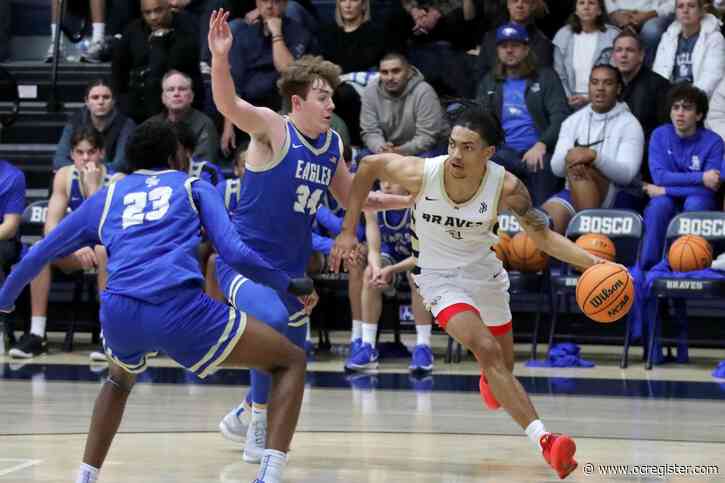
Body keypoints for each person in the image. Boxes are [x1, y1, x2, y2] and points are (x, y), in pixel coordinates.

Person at [0, 119, 313, 483]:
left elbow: (42, 252)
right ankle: (269, 475)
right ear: (175, 154)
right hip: (178, 309)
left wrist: (5, 299)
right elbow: (236, 253)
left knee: (118, 381)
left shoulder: (107, 196)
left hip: (119, 313)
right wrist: (288, 283)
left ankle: (85, 476)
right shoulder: (194, 185)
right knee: (290, 360)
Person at [331, 107, 604, 480]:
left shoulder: (507, 187)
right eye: (452, 144)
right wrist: (348, 230)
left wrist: (595, 265)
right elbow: (368, 167)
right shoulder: (422, 172)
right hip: (438, 278)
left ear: (488, 152)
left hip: (485, 275)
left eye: (468, 147)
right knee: (487, 351)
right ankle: (547, 441)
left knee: (501, 367)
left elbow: (542, 236)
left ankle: (492, 379)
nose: (457, 155)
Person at [208, 9, 411, 463]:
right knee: (272, 329)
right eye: (322, 97)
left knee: (290, 356)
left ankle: (243, 413)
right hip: (243, 262)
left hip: (291, 272)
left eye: (332, 97)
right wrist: (221, 59)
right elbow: (228, 105)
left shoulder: (333, 145)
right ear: (297, 102)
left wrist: (411, 200)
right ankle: (258, 426)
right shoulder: (271, 128)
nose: (332, 105)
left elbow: (356, 201)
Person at [8, 127, 112, 361]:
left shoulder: (116, 179)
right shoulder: (64, 176)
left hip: (109, 252)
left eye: (91, 152)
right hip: (77, 252)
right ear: (72, 155)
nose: (86, 158)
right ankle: (37, 334)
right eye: (80, 152)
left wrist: (93, 186)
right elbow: (51, 227)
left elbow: (106, 229)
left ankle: (109, 336)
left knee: (103, 249)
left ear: (102, 153)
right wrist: (75, 247)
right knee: (39, 251)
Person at [344, 180, 434, 373]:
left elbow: (422, 255)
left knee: (417, 275)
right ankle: (368, 347)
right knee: (369, 274)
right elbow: (374, 249)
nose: (386, 184)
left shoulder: (421, 204)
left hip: (419, 259)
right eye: (382, 179)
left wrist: (391, 271)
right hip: (390, 257)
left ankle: (423, 346)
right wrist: (377, 269)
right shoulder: (373, 205)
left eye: (392, 179)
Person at [542, 64, 645, 234]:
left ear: (618, 88)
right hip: (573, 189)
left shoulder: (630, 124)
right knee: (544, 224)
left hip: (617, 195)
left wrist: (593, 156)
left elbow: (626, 175)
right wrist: (573, 156)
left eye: (607, 83)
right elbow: (557, 169)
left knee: (582, 169)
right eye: (595, 82)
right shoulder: (573, 121)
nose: (600, 88)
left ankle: (586, 240)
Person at [476, 22, 570, 207]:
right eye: (504, 46)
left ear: (526, 49)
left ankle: (542, 228)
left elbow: (561, 115)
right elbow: (480, 120)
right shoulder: (489, 82)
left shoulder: (545, 77)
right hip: (502, 152)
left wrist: (542, 144)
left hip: (538, 151)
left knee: (544, 170)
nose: (509, 51)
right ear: (498, 51)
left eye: (515, 45)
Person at [638, 84, 723, 272]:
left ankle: (685, 266)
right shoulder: (660, 135)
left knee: (695, 203)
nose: (680, 113)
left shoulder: (714, 142)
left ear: (699, 115)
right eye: (676, 108)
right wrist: (701, 177)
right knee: (659, 206)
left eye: (687, 108)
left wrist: (666, 189)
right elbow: (660, 177)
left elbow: (712, 186)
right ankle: (648, 270)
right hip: (669, 198)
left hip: (699, 200)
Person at [221, 0, 319, 156]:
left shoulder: (299, 34)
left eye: (275, 1)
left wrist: (277, 35)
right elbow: (235, 81)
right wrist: (228, 124)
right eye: (264, 1)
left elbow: (288, 72)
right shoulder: (245, 35)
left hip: (283, 112)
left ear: (285, 4)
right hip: (249, 111)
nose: (269, 6)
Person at [112, 0, 203, 123]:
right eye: (147, 13)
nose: (153, 17)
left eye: (158, 11)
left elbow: (174, 65)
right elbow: (118, 71)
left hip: (179, 101)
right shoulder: (133, 30)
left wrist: (159, 42)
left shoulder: (186, 27)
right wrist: (124, 103)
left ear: (169, 7)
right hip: (138, 104)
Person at [360, 52, 448, 158]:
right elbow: (370, 131)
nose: (390, 77)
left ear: (409, 72)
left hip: (426, 149)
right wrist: (381, 148)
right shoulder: (371, 91)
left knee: (421, 165)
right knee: (363, 158)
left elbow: (427, 137)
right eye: (384, 72)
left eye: (396, 71)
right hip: (388, 148)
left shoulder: (424, 92)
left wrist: (399, 152)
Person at [53, 79, 136, 173]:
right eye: (95, 97)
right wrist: (85, 171)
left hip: (111, 180)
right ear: (87, 101)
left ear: (113, 101)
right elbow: (59, 161)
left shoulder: (126, 124)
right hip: (79, 177)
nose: (101, 102)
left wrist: (93, 171)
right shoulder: (75, 121)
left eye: (106, 97)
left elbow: (121, 164)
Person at [553, 0, 620, 110]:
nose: (586, 7)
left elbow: (615, 76)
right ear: (576, 10)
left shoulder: (613, 36)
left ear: (599, 10)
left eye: (591, 3)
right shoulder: (563, 35)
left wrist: (589, 99)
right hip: (569, 101)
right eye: (581, 3)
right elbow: (559, 75)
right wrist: (569, 98)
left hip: (604, 100)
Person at [652, 0, 725, 97]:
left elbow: (713, 77)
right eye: (680, 6)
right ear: (676, 12)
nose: (685, 10)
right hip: (671, 98)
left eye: (691, 6)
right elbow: (659, 72)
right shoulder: (668, 37)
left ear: (701, 11)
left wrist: (689, 97)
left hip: (699, 99)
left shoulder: (714, 38)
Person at [149, 70, 220, 164]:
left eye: (182, 89)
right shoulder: (152, 126)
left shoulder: (204, 124)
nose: (176, 94)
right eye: (170, 89)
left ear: (191, 96)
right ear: (163, 98)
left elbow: (203, 165)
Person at [477, 0, 554, 78]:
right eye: (515, 0)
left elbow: (544, 80)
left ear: (533, 6)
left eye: (525, 1)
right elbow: (480, 76)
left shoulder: (543, 43)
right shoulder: (490, 38)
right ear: (508, 4)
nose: (519, 5)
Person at [605, 0, 675, 66]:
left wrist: (650, 14)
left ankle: (645, 70)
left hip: (654, 13)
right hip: (618, 11)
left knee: (651, 31)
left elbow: (672, 3)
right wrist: (613, 13)